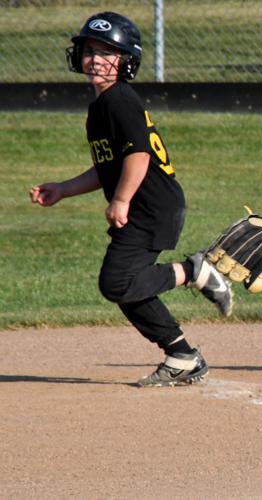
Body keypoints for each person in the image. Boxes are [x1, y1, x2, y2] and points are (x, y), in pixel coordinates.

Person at [29, 11, 233, 387]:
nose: (95, 58)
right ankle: (182, 355)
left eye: (108, 52)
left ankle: (195, 271)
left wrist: (120, 200)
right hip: (150, 206)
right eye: (90, 50)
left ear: (125, 61)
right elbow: (108, 167)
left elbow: (139, 156)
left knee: (117, 282)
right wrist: (63, 189)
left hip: (151, 208)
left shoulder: (119, 100)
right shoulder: (102, 106)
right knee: (126, 284)